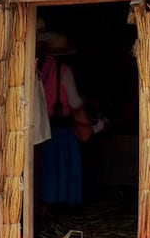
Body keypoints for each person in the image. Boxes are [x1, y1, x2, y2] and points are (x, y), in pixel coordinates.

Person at [35, 26, 102, 212]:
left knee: (46, 170)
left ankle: (45, 206)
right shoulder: (64, 71)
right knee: (63, 168)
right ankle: (64, 208)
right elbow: (74, 103)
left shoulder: (40, 67)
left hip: (42, 127)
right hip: (61, 130)